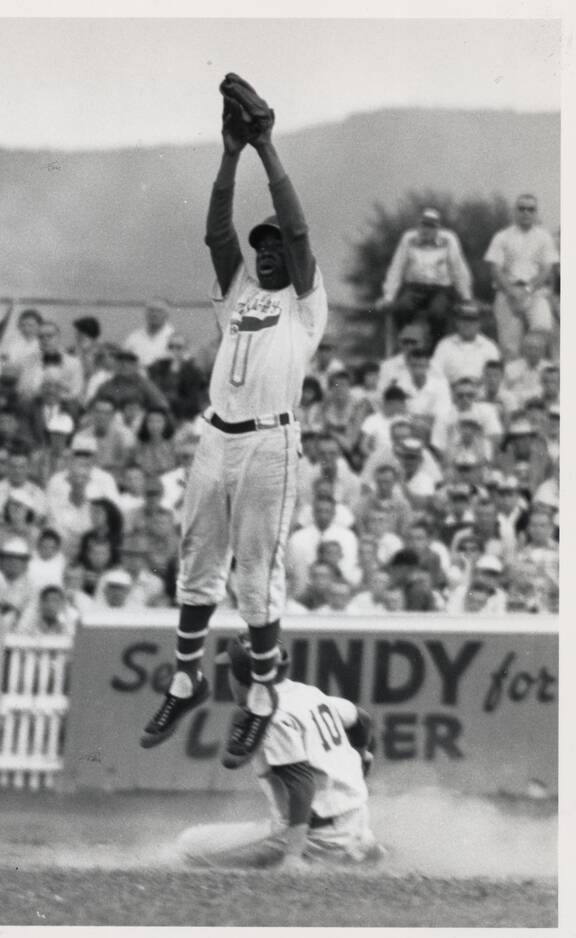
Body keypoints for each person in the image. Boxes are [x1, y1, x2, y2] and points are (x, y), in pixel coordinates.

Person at [140, 76, 327, 770]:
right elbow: (218, 230)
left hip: (273, 441)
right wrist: (229, 154)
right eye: (265, 245)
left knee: (255, 577)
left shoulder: (306, 306)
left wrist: (268, 148)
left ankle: (260, 695)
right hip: (218, 434)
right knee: (196, 564)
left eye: (277, 245)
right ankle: (186, 678)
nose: (270, 250)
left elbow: (300, 228)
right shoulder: (241, 292)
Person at [173, 634, 382, 869]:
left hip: (315, 837)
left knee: (188, 847)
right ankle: (359, 847)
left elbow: (301, 784)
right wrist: (363, 754)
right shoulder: (308, 693)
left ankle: (317, 856)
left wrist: (293, 856)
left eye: (231, 669)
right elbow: (360, 718)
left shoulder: (270, 716)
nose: (228, 676)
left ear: (243, 674)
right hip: (356, 823)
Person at [379, 207, 474, 349]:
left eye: (431, 226)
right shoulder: (408, 238)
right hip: (414, 287)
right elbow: (397, 267)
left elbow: (458, 268)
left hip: (441, 289)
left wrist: (466, 296)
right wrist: (388, 296)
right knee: (402, 308)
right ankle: (406, 344)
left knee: (438, 312)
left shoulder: (449, 239)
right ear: (419, 225)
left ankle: (436, 348)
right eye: (424, 225)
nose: (426, 230)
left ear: (438, 228)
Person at [484, 193, 559, 357]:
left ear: (536, 213)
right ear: (515, 211)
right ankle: (514, 376)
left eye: (531, 209)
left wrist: (527, 289)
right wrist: (511, 291)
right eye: (522, 208)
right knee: (509, 346)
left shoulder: (544, 237)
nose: (526, 212)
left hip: (535, 291)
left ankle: (535, 368)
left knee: (543, 326)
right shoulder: (502, 236)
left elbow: (547, 269)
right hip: (507, 292)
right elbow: (495, 268)